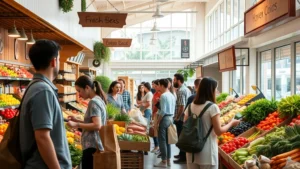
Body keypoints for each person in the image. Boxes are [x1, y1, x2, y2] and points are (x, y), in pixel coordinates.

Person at [19, 39, 72, 169]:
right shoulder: (43, 91)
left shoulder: (35, 87)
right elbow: (42, 137)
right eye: (59, 59)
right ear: (54, 61)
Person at [183, 77, 240, 169]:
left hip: (191, 151)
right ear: (211, 90)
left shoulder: (190, 106)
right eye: (215, 88)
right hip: (207, 153)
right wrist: (231, 123)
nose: (216, 91)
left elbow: (185, 125)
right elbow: (218, 131)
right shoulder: (212, 107)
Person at [66, 75, 107, 169]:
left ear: (87, 88)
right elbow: (94, 121)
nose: (79, 94)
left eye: (79, 91)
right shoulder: (99, 99)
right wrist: (77, 120)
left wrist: (76, 124)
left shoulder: (93, 102)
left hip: (91, 146)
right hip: (95, 145)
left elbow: (97, 125)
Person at [154, 79, 176, 168]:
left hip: (164, 118)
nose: (158, 87)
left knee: (162, 140)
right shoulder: (171, 95)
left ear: (163, 85)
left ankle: (163, 161)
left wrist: (157, 122)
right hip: (171, 118)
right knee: (168, 141)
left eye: (158, 85)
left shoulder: (163, 96)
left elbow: (162, 111)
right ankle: (168, 160)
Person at [173, 73, 191, 164]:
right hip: (185, 118)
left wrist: (177, 117)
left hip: (181, 119)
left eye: (174, 80)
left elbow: (182, 106)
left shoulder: (180, 91)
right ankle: (181, 154)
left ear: (179, 81)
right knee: (182, 137)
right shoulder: (186, 89)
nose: (173, 81)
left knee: (181, 138)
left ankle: (183, 156)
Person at [151, 80, 161, 154]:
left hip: (157, 114)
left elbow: (158, 106)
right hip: (154, 113)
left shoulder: (160, 94)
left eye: (154, 85)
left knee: (157, 132)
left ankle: (158, 147)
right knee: (155, 131)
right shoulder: (155, 93)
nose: (153, 86)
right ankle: (156, 146)